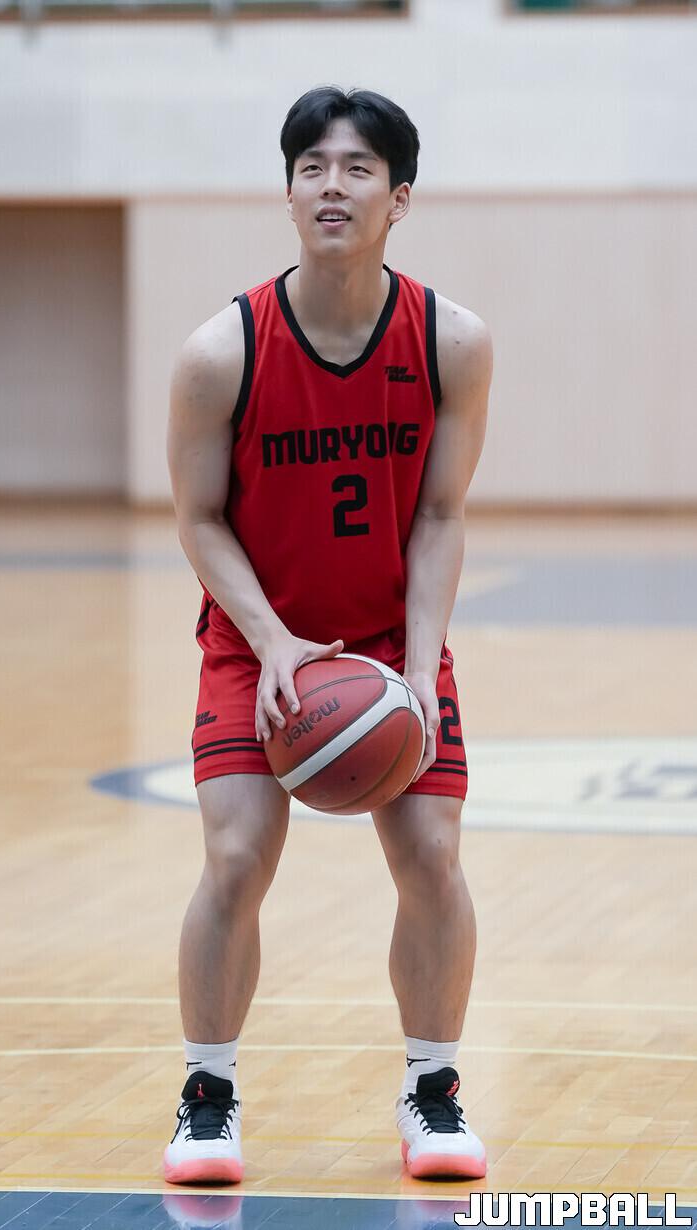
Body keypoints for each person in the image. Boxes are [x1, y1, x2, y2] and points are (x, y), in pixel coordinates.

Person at [164, 85, 493, 1186]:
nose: (331, 186)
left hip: (392, 640)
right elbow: (199, 520)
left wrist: (417, 668)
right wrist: (272, 644)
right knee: (234, 858)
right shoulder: (222, 351)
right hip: (255, 640)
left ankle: (433, 1089)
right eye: (311, 167)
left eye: (357, 169)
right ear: (289, 192)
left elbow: (440, 515)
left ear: (399, 198)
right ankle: (207, 1098)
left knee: (433, 855)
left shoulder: (451, 341)